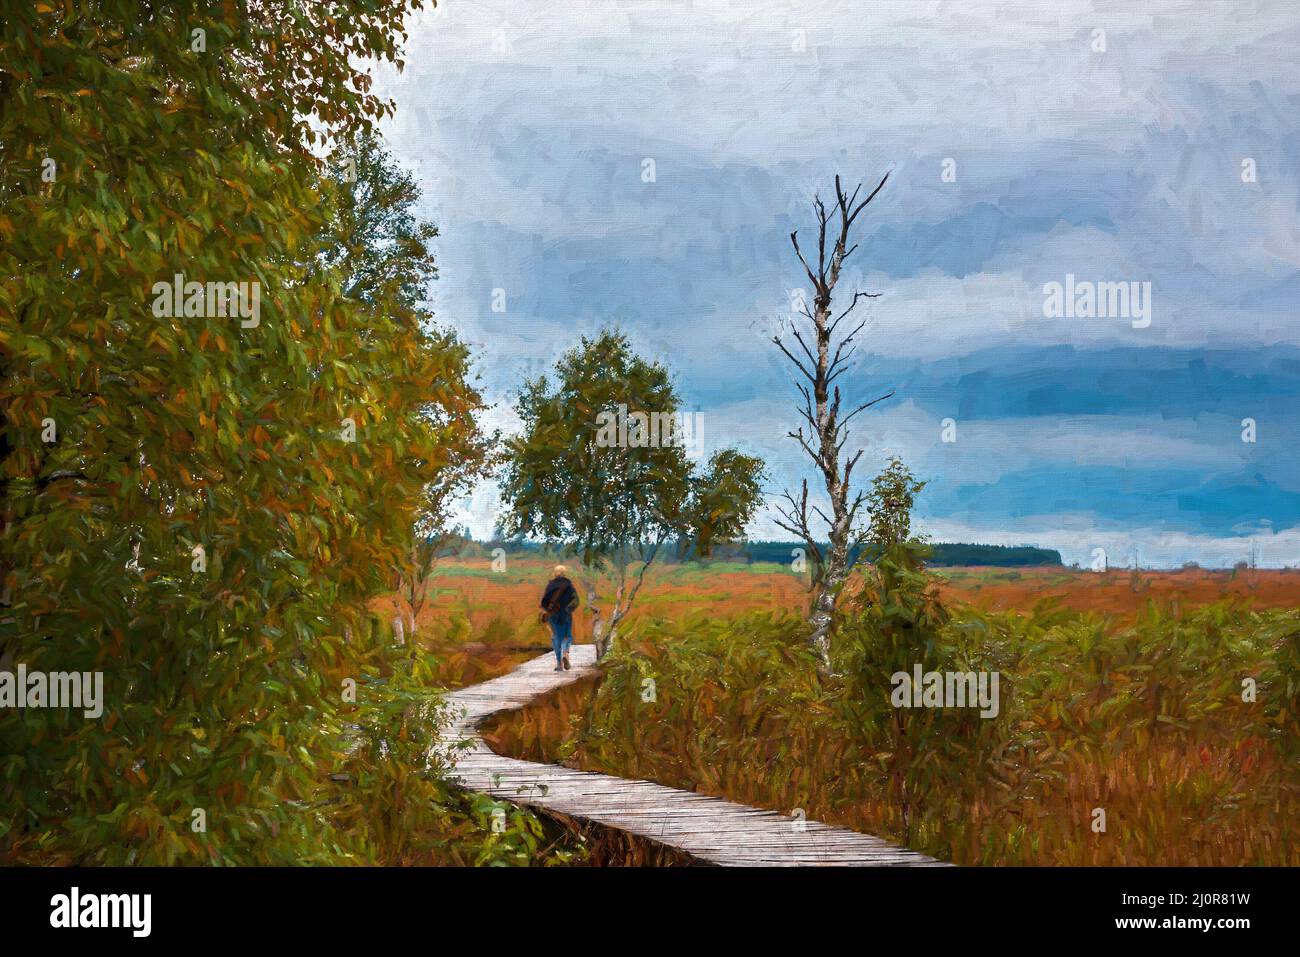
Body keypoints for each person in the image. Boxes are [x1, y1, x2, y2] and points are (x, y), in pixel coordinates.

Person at [540, 564, 580, 671]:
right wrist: (568, 609)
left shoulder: (550, 585)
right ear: (565, 573)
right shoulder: (569, 585)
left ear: (555, 573)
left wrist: (547, 610)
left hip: (553, 614)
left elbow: (544, 601)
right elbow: (576, 600)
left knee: (556, 637)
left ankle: (559, 664)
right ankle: (565, 654)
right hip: (566, 614)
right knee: (567, 636)